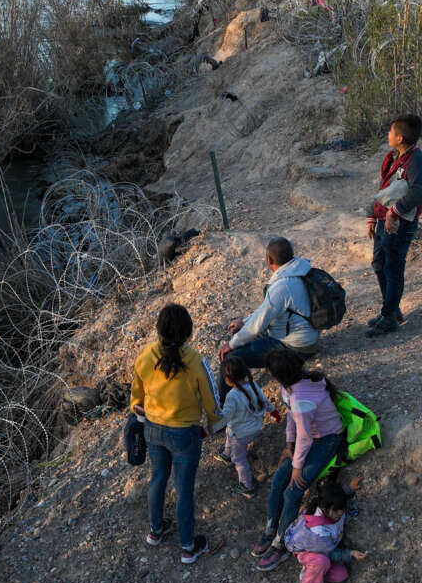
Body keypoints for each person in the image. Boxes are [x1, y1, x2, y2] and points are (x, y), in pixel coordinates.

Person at [130, 303, 221, 564]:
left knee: (157, 478)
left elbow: (136, 392)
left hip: (152, 429)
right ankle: (188, 546)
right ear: (189, 333)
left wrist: (137, 406)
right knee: (183, 490)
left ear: (158, 330)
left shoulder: (146, 354)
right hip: (184, 434)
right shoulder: (196, 361)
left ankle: (156, 531)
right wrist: (216, 422)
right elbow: (212, 402)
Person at [253, 349, 344, 572]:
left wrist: (297, 466)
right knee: (277, 482)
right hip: (311, 438)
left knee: (293, 490)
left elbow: (305, 433)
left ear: (280, 376)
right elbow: (292, 418)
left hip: (327, 440)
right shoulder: (291, 387)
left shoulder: (301, 396)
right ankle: (271, 528)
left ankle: (282, 543)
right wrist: (288, 445)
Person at [217, 237, 319, 401]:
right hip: (307, 339)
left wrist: (231, 344)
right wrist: (244, 322)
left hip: (295, 348)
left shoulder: (282, 286)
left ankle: (221, 409)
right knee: (240, 334)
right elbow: (265, 310)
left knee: (230, 357)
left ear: (269, 259)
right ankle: (243, 383)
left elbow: (257, 325)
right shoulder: (299, 271)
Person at [366, 113, 422, 338]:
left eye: (391, 131)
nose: (388, 135)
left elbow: (419, 192)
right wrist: (373, 216)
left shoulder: (416, 160)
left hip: (399, 224)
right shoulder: (394, 157)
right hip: (385, 221)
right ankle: (391, 309)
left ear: (400, 137)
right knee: (379, 264)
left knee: (392, 267)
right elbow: (386, 190)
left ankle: (389, 316)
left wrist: (395, 212)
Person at [281, 478, 368, 583]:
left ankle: (312, 570)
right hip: (308, 551)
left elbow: (339, 497)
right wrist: (351, 554)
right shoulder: (318, 531)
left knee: (341, 575)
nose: (341, 513)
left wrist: (350, 488)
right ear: (324, 508)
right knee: (322, 562)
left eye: (342, 509)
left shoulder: (330, 504)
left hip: (323, 548)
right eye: (336, 511)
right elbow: (331, 553)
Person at [214, 356, 273, 497]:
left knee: (239, 459)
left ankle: (247, 486)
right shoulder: (253, 385)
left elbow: (225, 417)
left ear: (228, 380)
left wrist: (209, 427)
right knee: (230, 431)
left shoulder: (232, 395)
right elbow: (264, 402)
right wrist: (274, 412)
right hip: (255, 427)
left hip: (240, 434)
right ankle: (226, 454)